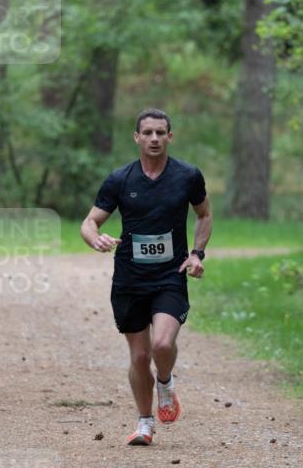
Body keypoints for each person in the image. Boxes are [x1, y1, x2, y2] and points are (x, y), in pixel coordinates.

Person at [80, 108, 213, 446]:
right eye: (148, 133)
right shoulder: (120, 180)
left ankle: (165, 383)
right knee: (139, 356)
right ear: (137, 137)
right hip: (129, 278)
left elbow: (204, 215)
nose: (154, 138)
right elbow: (89, 221)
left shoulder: (187, 176)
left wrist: (197, 253)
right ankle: (144, 423)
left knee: (162, 344)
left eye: (161, 133)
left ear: (170, 137)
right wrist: (94, 237)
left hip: (170, 274)